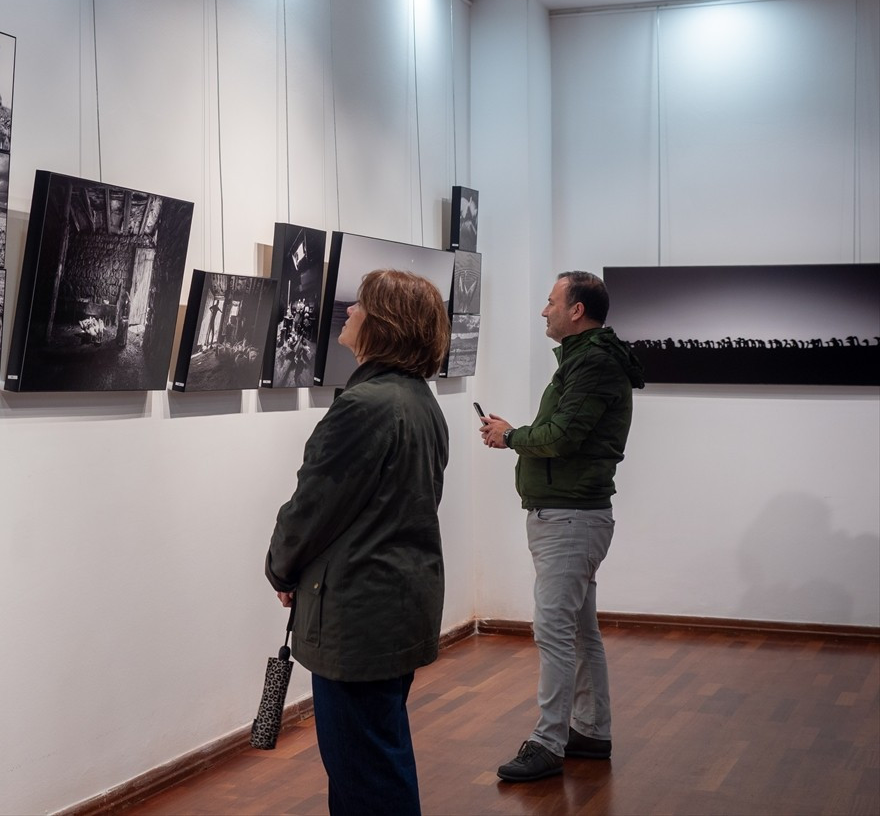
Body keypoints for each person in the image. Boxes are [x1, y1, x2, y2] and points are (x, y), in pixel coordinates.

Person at [265, 269, 451, 816]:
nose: (348, 313)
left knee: (365, 772)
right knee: (375, 757)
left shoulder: (366, 406)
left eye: (360, 306)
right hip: (396, 602)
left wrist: (281, 568)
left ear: (384, 324)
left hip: (360, 615)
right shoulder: (420, 402)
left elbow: (314, 507)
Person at [480, 270, 645, 782]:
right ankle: (590, 731)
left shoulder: (592, 363)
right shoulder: (586, 360)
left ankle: (548, 741)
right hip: (572, 513)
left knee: (554, 631)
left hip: (571, 516)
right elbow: (559, 432)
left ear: (577, 310)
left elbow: (562, 435)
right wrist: (518, 434)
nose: (543, 310)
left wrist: (511, 437)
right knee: (578, 630)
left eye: (551, 301)